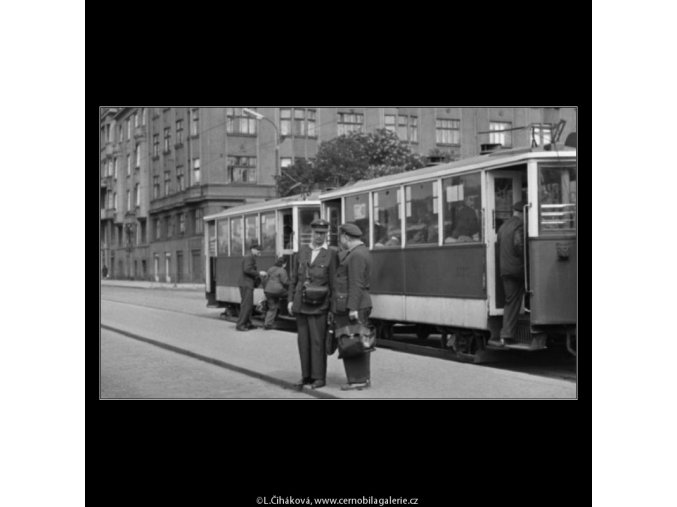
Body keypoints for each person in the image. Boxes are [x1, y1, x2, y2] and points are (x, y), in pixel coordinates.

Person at [288, 219, 337, 390]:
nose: (319, 236)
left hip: (319, 306)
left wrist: (332, 308)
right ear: (312, 233)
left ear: (326, 235)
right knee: (303, 343)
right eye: (317, 233)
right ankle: (306, 376)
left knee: (317, 342)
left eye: (323, 233)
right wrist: (290, 300)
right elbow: (294, 278)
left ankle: (319, 378)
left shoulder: (330, 254)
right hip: (301, 304)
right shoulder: (302, 251)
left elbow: (333, 284)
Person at [332, 222, 373, 391]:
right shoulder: (361, 252)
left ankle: (358, 379)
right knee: (358, 342)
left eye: (340, 237)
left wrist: (353, 308)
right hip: (360, 303)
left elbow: (356, 283)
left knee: (353, 343)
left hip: (356, 306)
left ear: (346, 237)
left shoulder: (356, 255)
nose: (340, 241)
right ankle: (361, 378)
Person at [497, 201, 525, 345]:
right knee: (515, 300)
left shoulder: (503, 226)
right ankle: (507, 334)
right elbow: (519, 245)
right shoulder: (519, 225)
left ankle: (506, 334)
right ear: (523, 212)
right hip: (517, 269)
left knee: (511, 300)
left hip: (505, 269)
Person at [236, 242, 267, 332]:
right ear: (253, 249)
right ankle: (241, 325)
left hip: (246, 283)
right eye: (258, 250)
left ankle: (248, 323)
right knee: (246, 305)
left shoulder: (250, 257)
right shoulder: (249, 257)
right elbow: (247, 269)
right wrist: (259, 273)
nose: (259, 252)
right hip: (246, 284)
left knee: (248, 305)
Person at [263, 256, 288, 330]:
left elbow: (265, 279)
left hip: (268, 291)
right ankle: (287, 311)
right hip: (278, 291)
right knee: (290, 294)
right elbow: (285, 281)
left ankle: (267, 324)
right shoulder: (282, 270)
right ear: (284, 264)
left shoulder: (270, 269)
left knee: (272, 307)